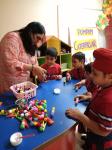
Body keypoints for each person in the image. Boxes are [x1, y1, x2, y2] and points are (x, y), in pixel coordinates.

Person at [66, 48, 112, 150]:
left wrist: (80, 116)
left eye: (95, 74)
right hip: (92, 136)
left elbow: (103, 131)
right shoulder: (103, 86)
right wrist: (89, 98)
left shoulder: (109, 100)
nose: (91, 76)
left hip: (100, 144)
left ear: (109, 76)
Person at [0, 22, 47, 94]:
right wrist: (33, 68)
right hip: (10, 88)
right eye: (37, 37)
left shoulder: (30, 44)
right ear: (30, 32)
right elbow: (10, 64)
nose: (38, 42)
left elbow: (34, 62)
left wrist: (38, 74)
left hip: (26, 88)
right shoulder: (12, 38)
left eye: (40, 39)